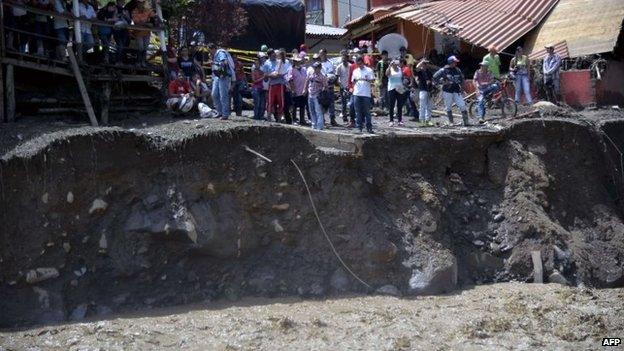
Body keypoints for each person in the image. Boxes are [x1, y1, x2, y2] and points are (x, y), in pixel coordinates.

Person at [433, 55, 469, 126]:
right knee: (448, 106)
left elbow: (462, 79)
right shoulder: (443, 70)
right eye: (454, 62)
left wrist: (462, 88)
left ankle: (466, 122)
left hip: (456, 91)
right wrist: (442, 82)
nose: (455, 63)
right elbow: (434, 77)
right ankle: (451, 122)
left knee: (462, 105)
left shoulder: (458, 70)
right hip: (447, 91)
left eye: (455, 62)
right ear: (450, 62)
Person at [208, 42, 236, 119]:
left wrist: (214, 63)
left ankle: (225, 114)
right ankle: (219, 112)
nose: (209, 52)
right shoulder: (214, 55)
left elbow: (224, 62)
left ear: (213, 49)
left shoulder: (220, 53)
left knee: (223, 95)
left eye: (209, 50)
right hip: (217, 76)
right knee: (214, 94)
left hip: (224, 76)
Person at [351, 56, 375, 134]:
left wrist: (367, 79)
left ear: (363, 62)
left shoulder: (369, 70)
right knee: (358, 111)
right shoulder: (355, 71)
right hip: (357, 93)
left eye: (360, 63)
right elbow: (353, 81)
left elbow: (372, 80)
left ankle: (369, 127)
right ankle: (359, 127)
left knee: (367, 111)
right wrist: (352, 88)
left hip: (366, 94)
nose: (359, 65)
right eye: (358, 63)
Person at [262, 49, 287, 122]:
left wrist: (271, 75)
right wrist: (271, 75)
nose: (274, 56)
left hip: (280, 84)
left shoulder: (279, 61)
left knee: (281, 102)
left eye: (275, 55)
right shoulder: (266, 63)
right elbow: (265, 78)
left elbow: (281, 74)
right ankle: (269, 118)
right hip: (272, 85)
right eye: (273, 55)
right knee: (270, 102)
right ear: (269, 56)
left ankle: (279, 119)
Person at [302, 62, 327, 130]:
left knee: (318, 111)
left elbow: (325, 86)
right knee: (311, 110)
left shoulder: (322, 76)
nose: (315, 69)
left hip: (317, 95)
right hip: (310, 94)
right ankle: (314, 125)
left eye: (317, 67)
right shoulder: (311, 74)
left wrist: (322, 92)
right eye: (314, 67)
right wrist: (305, 90)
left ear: (320, 68)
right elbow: (307, 81)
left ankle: (319, 126)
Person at [130, 0, 155, 67]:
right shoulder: (134, 11)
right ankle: (138, 61)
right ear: (137, 3)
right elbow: (137, 22)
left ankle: (143, 62)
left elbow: (154, 17)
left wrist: (151, 22)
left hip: (147, 33)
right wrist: (147, 23)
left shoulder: (148, 10)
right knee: (140, 47)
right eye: (139, 2)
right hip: (138, 32)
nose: (141, 4)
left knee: (145, 47)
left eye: (142, 2)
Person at [318, 48, 337, 126]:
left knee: (331, 103)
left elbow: (332, 74)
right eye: (320, 54)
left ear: (325, 54)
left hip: (329, 86)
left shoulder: (330, 63)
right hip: (320, 86)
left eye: (322, 54)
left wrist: (328, 77)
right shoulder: (318, 64)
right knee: (321, 103)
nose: (321, 55)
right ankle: (322, 119)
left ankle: (332, 119)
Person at [288, 56, 309, 125]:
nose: (298, 62)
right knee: (294, 106)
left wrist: (305, 89)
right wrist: (293, 90)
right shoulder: (291, 70)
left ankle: (302, 120)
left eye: (299, 61)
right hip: (296, 91)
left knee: (302, 106)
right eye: (296, 61)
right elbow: (290, 80)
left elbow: (306, 79)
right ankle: (294, 120)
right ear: (294, 62)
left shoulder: (303, 69)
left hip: (303, 91)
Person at [386, 59, 406, 126]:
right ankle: (391, 120)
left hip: (399, 88)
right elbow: (387, 74)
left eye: (397, 62)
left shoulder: (400, 69)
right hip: (392, 88)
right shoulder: (390, 69)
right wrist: (390, 66)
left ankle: (400, 120)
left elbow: (402, 77)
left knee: (399, 105)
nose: (396, 63)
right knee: (391, 105)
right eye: (394, 62)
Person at [415, 59, 434, 126]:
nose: (425, 65)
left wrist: (431, 83)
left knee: (429, 106)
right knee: (422, 106)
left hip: (429, 90)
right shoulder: (420, 71)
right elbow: (417, 68)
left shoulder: (429, 71)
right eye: (424, 63)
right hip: (422, 90)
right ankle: (422, 120)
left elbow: (432, 79)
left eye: (426, 63)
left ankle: (428, 120)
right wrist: (421, 62)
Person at [335, 51, 351, 122]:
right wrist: (341, 86)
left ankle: (352, 117)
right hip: (342, 87)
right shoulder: (339, 67)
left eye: (345, 58)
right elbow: (337, 78)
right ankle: (344, 116)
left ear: (347, 58)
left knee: (351, 102)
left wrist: (350, 86)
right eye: (342, 59)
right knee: (343, 103)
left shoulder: (351, 66)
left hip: (350, 87)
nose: (343, 60)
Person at [251, 54, 267, 120]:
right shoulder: (254, 71)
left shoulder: (262, 70)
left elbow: (266, 79)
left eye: (258, 63)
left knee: (262, 103)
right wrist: (263, 77)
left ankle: (261, 116)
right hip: (256, 88)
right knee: (257, 103)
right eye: (256, 63)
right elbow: (254, 80)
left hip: (262, 88)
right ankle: (256, 116)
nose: (257, 64)